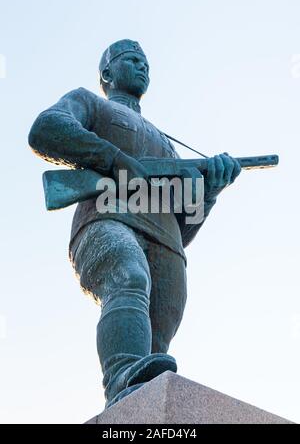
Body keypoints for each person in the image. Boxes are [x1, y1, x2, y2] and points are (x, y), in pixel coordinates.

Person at [28, 39, 241, 407]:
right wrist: (113, 158)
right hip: (106, 221)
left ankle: (141, 397)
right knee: (128, 276)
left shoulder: (167, 145)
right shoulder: (89, 102)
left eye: (146, 63)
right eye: (132, 60)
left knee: (157, 349)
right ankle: (120, 380)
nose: (143, 67)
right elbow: (46, 129)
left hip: (166, 245)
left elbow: (183, 226)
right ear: (107, 73)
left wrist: (209, 193)